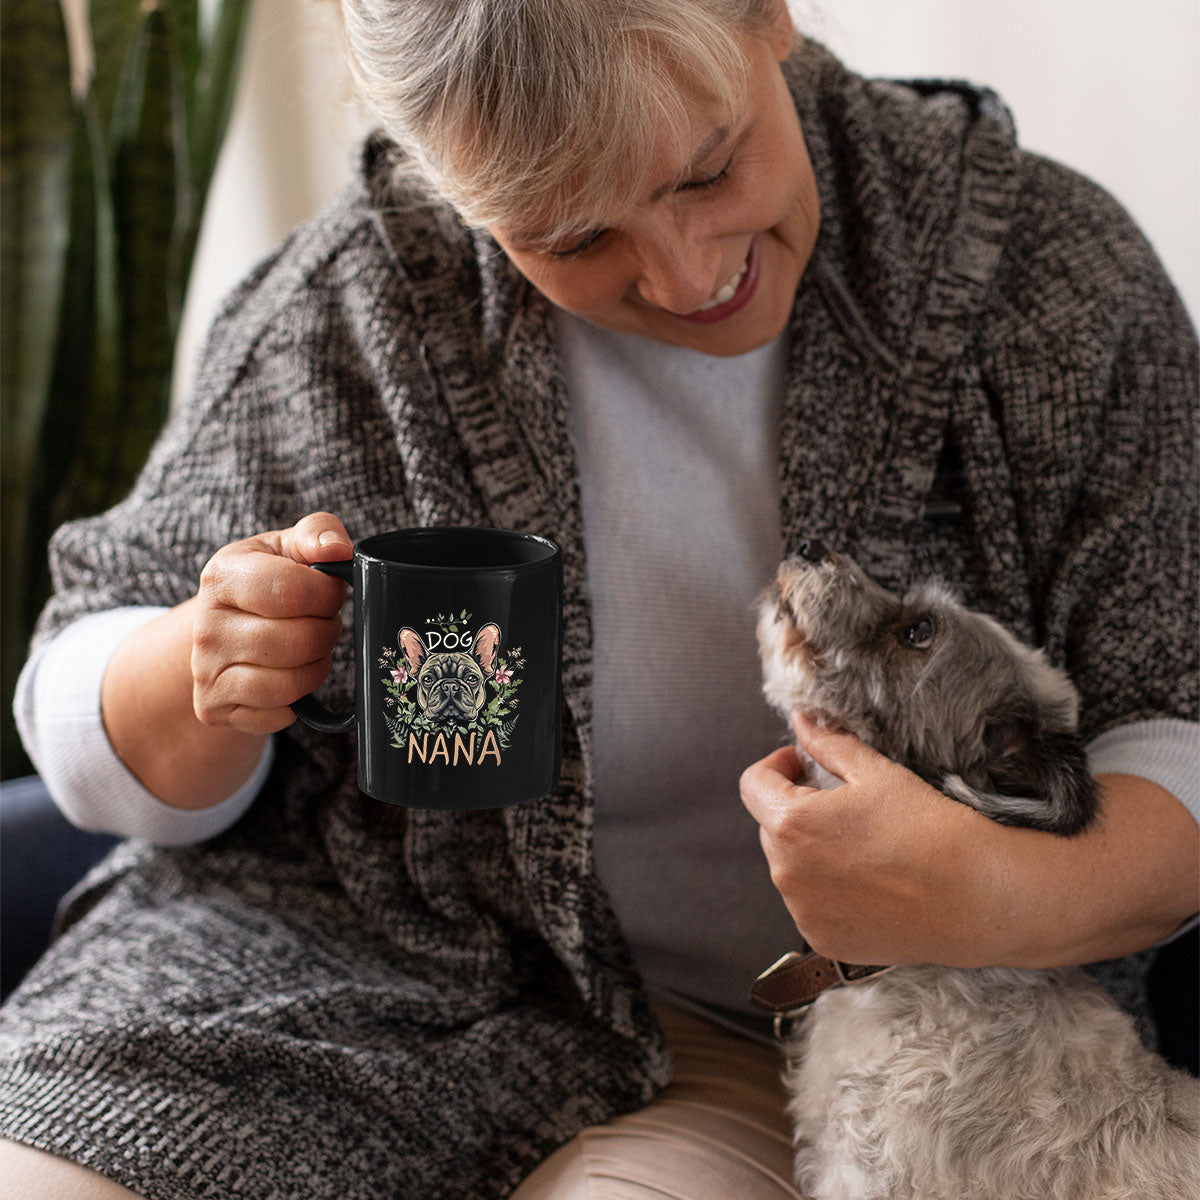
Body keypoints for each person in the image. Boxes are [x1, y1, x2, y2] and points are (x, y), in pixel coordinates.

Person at [2, 0, 1197, 1195]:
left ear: (767, 15)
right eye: (572, 237)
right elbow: (79, 713)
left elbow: (1178, 713)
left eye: (710, 169)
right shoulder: (344, 319)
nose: (686, 277)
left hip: (793, 1052)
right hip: (314, 981)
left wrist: (998, 898)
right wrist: (204, 665)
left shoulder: (1044, 282)